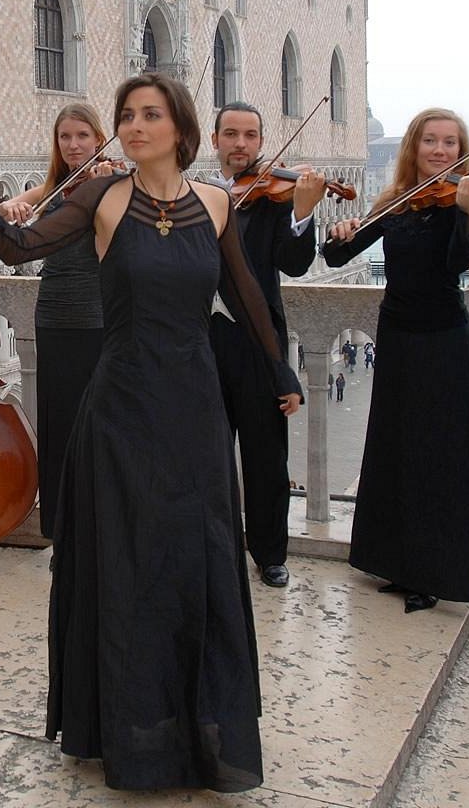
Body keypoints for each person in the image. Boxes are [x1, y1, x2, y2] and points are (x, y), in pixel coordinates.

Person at [0, 72, 302, 793]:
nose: (134, 127)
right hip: (122, 405)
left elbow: (247, 297)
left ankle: (197, 726)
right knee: (129, 563)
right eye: (126, 116)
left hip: (195, 405)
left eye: (150, 115)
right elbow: (15, 245)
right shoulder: (101, 197)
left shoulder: (218, 203)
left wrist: (280, 374)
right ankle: (124, 731)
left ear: (179, 127)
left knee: (196, 558)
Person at [324, 108, 469, 614]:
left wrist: (465, 213)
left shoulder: (467, 200)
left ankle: (431, 572)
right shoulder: (395, 202)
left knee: (438, 456)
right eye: (431, 142)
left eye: (450, 143)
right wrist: (342, 231)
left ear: (460, 152)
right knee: (394, 449)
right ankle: (391, 562)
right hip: (396, 338)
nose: (440, 151)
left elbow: (457, 265)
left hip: (443, 341)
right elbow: (334, 259)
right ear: (413, 147)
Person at [208, 101, 327, 588]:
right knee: (208, 455)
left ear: (261, 142)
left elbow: (294, 263)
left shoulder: (276, 200)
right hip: (203, 341)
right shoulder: (199, 196)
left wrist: (303, 211)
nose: (240, 144)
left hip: (258, 343)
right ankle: (214, 548)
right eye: (231, 134)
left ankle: (270, 553)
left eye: (250, 135)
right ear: (214, 141)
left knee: (264, 457)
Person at [0, 103, 112, 539]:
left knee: (99, 424)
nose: (74, 144)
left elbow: (113, 248)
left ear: (99, 139)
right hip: (55, 315)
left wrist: (103, 196)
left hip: (99, 316)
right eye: (66, 137)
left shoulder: (113, 184)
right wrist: (10, 209)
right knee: (59, 423)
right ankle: (63, 531)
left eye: (82, 136)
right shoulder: (53, 186)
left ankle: (101, 527)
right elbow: (7, 210)